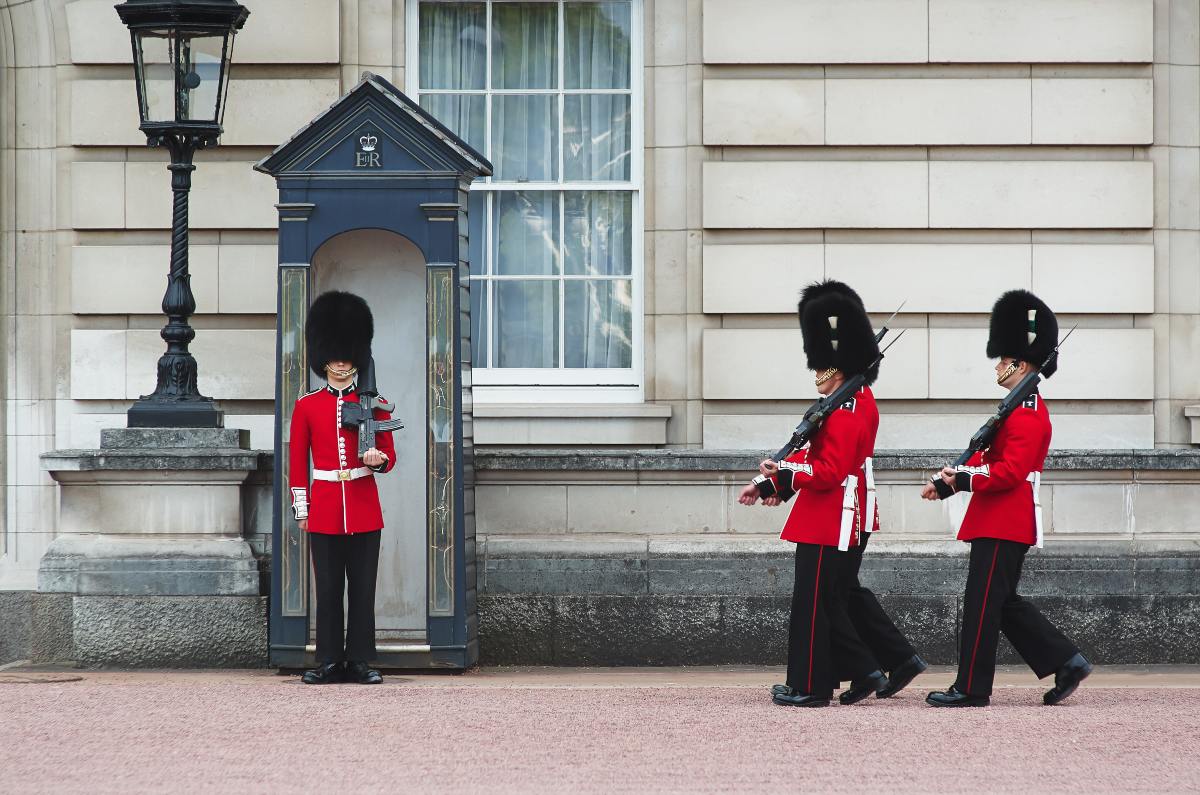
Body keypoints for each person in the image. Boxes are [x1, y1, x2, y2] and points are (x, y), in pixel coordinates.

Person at [922, 289, 1091, 707]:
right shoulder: (1016, 408)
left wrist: (962, 479)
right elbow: (987, 459)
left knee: (982, 605)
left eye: (1003, 359)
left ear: (1020, 361)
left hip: (1005, 519)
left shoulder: (1029, 411)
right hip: (998, 517)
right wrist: (951, 480)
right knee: (1002, 603)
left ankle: (972, 688)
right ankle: (1067, 661)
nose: (998, 365)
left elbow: (1010, 472)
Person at [740, 281, 886, 707]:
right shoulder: (845, 405)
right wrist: (773, 483)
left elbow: (826, 470)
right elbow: (808, 455)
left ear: (834, 368)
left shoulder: (846, 412)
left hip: (830, 516)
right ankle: (861, 671)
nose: (816, 372)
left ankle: (813, 686)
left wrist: (782, 472)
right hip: (824, 511)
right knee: (822, 603)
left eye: (822, 365)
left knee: (813, 604)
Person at [290, 290, 397, 685]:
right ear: (323, 356)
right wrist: (303, 509)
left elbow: (390, 454)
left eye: (346, 353)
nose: (339, 361)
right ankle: (330, 661)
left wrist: (376, 460)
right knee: (330, 589)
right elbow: (297, 461)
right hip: (325, 509)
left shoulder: (376, 404)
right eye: (333, 354)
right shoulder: (307, 406)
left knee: (363, 590)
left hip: (364, 507)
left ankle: (361, 661)